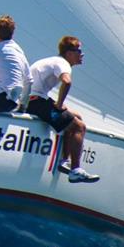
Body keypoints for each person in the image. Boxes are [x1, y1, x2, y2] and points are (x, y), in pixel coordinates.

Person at [27, 36, 100, 184]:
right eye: (78, 50)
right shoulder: (63, 63)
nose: (82, 54)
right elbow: (67, 82)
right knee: (80, 127)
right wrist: (59, 104)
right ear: (69, 53)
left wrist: (58, 104)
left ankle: (64, 160)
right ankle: (75, 170)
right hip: (36, 102)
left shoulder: (53, 61)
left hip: (34, 99)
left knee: (76, 116)